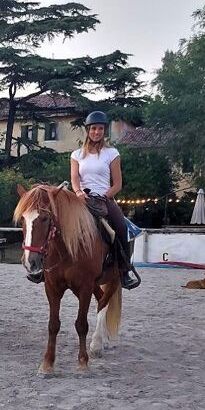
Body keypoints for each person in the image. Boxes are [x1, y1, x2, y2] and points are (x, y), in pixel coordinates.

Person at [70, 111, 140, 290]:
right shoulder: (77, 155)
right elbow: (75, 179)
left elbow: (117, 184)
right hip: (83, 198)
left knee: (122, 228)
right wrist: (78, 192)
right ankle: (46, 268)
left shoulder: (112, 153)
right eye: (93, 128)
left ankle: (124, 271)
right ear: (88, 130)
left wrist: (106, 196)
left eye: (100, 129)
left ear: (104, 131)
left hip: (104, 198)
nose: (96, 132)